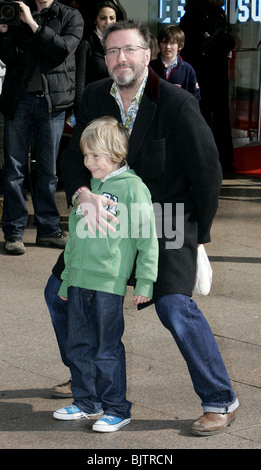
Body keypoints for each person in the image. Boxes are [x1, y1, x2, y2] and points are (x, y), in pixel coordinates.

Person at [57, 19, 239, 436]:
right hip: (106, 214)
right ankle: (87, 383)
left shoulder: (175, 102)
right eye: (112, 51)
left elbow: (207, 173)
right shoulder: (92, 97)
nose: (120, 58)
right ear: (105, 58)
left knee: (174, 305)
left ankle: (220, 398)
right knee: (60, 294)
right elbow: (71, 157)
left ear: (147, 53)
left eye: (129, 50)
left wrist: (196, 239)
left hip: (166, 217)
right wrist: (83, 193)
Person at [53, 116, 158, 432]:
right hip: (78, 282)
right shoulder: (89, 190)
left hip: (108, 284)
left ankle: (116, 408)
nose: (87, 162)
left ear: (116, 154)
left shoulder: (133, 188)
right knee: (78, 344)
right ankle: (86, 402)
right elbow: (75, 237)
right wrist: (68, 279)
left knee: (106, 348)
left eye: (94, 156)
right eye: (85, 155)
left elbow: (146, 236)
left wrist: (145, 280)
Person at [0, 0, 84, 255]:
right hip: (20, 100)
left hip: (53, 105)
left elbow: (62, 50)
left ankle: (48, 229)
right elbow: (10, 58)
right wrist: (3, 34)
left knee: (48, 172)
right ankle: (14, 232)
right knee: (14, 170)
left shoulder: (71, 16)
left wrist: (33, 24)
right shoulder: (19, 11)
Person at [179, 0, 235, 172]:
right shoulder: (196, 13)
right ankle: (210, 160)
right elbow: (190, 44)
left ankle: (217, 159)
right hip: (203, 72)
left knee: (211, 114)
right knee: (203, 114)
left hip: (212, 71)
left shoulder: (213, 12)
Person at [150, 25, 200, 101]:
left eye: (172, 43)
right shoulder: (150, 67)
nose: (168, 47)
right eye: (164, 42)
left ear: (180, 46)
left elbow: (195, 96)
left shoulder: (187, 69)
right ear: (159, 44)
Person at [84, 1, 122, 85]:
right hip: (94, 93)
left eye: (112, 18)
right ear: (95, 20)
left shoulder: (121, 42)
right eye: (103, 18)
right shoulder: (86, 43)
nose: (108, 22)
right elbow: (80, 78)